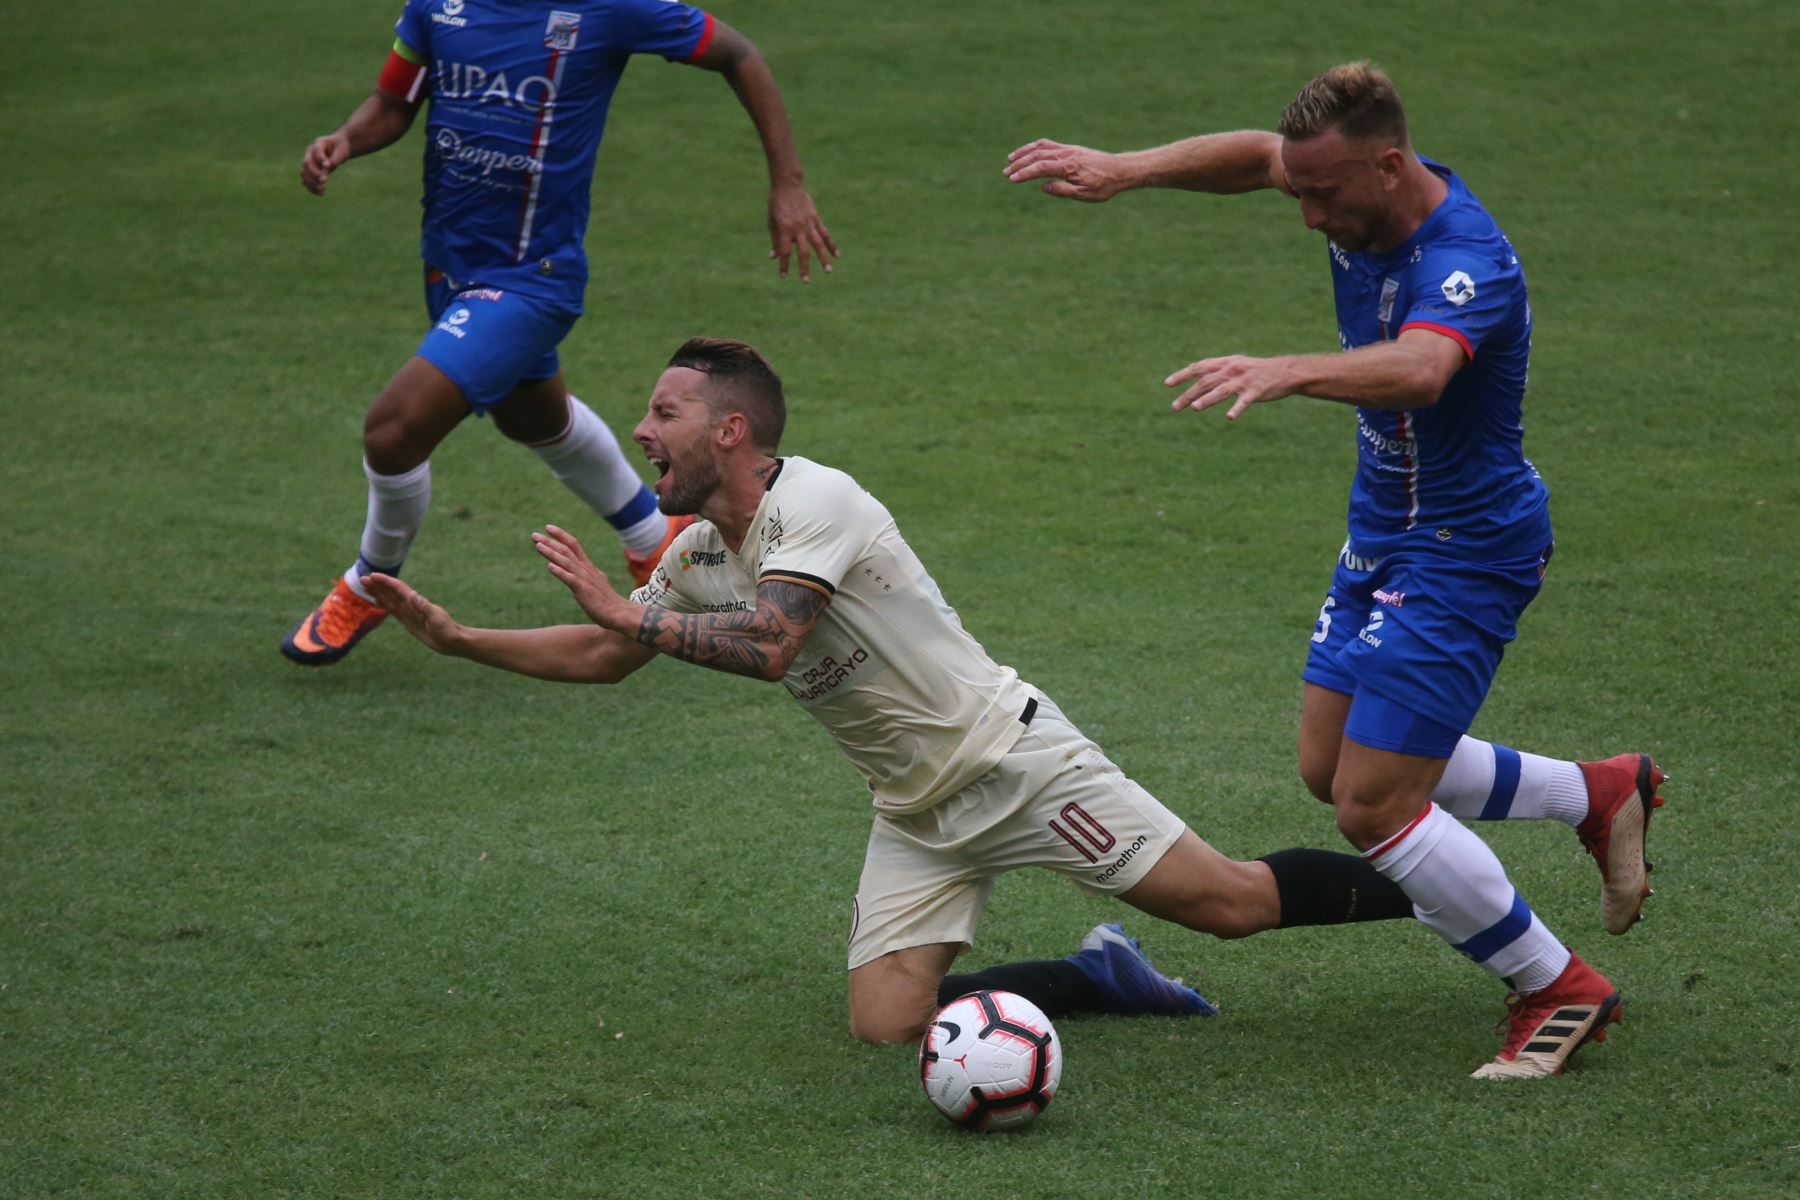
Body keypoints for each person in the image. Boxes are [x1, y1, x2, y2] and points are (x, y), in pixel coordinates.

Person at [363, 336, 1422, 1045]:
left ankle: (1452, 896)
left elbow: (773, 643)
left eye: (664, 412)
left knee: (1231, 905)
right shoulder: (694, 553)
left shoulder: (815, 500)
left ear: (730, 431)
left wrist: (628, 611)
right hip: (914, 813)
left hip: (1015, 764)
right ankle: (1098, 980)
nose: (642, 431)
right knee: (885, 1027)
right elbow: (602, 657)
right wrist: (462, 640)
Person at [1004, 63, 1668, 1078]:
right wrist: (1125, 169)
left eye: (1325, 195)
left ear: (1391, 166)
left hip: (1466, 551)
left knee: (1372, 803)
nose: (1306, 213)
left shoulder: (1466, 258)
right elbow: (1256, 157)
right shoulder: (1344, 182)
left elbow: (1422, 368)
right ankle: (1598, 793)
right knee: (1331, 767)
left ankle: (1557, 986)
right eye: (1299, 191)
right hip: (1382, 533)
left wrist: (1287, 368)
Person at [282, 0, 836, 666]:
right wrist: (347, 138)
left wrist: (789, 184)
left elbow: (738, 53)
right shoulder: (437, 8)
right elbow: (394, 101)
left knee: (392, 431)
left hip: (533, 279)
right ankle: (653, 537)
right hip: (450, 267)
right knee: (533, 418)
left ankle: (369, 584)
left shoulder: (608, 9)